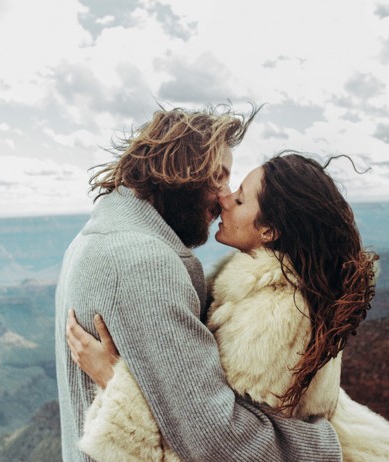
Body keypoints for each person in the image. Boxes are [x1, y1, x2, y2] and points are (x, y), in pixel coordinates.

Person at [67, 153, 389, 461]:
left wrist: (115, 381)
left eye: (240, 200)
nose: (224, 199)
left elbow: (228, 447)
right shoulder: (282, 291)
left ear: (269, 231)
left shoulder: (273, 315)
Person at [55, 106, 343, 462]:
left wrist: (115, 378)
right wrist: (326, 446)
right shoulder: (143, 264)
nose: (224, 196)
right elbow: (219, 441)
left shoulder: (96, 238)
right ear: (181, 172)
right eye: (218, 177)